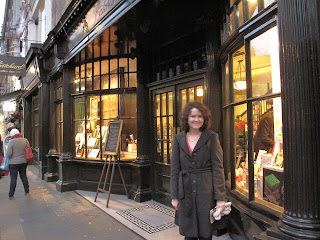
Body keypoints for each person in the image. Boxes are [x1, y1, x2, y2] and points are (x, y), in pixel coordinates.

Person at [170, 102, 226, 240]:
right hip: (185, 191)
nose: (196, 119)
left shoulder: (211, 137)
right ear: (186, 119)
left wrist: (220, 198)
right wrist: (174, 196)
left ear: (205, 118)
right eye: (193, 116)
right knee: (189, 233)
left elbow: (218, 168)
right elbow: (175, 169)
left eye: (200, 116)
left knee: (206, 233)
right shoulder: (178, 139)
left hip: (206, 192)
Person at [5, 128, 30, 200]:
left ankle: (11, 195)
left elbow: (8, 154)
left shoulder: (11, 142)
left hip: (13, 163)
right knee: (24, 176)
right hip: (23, 162)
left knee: (13, 179)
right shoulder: (25, 140)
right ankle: (27, 192)